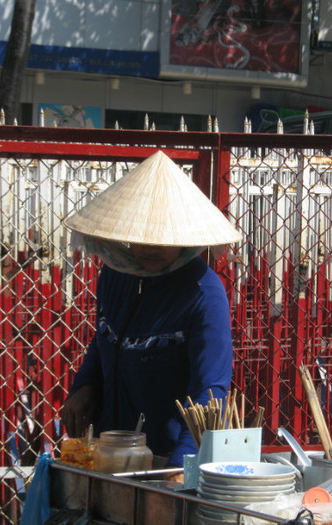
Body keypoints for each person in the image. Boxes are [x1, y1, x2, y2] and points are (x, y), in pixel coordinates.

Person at [60, 150, 241, 478]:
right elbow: (106, 337)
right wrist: (85, 384)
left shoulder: (204, 291)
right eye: (141, 236)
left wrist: (181, 467)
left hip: (166, 454)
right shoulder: (114, 275)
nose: (151, 247)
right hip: (111, 448)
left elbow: (210, 391)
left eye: (163, 237)